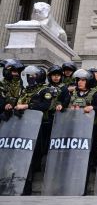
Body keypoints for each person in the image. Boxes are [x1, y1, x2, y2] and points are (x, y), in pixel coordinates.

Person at [14, 65, 55, 195]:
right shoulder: (24, 91)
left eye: (33, 76)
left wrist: (27, 106)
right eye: (28, 76)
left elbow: (45, 105)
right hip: (22, 126)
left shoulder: (45, 90)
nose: (30, 79)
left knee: (33, 155)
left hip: (39, 125)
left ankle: (27, 186)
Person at [66, 69, 97, 174]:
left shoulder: (94, 93)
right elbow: (63, 104)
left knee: (92, 148)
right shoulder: (72, 93)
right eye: (78, 80)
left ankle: (92, 165)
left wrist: (92, 107)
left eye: (83, 80)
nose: (80, 82)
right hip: (75, 126)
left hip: (91, 127)